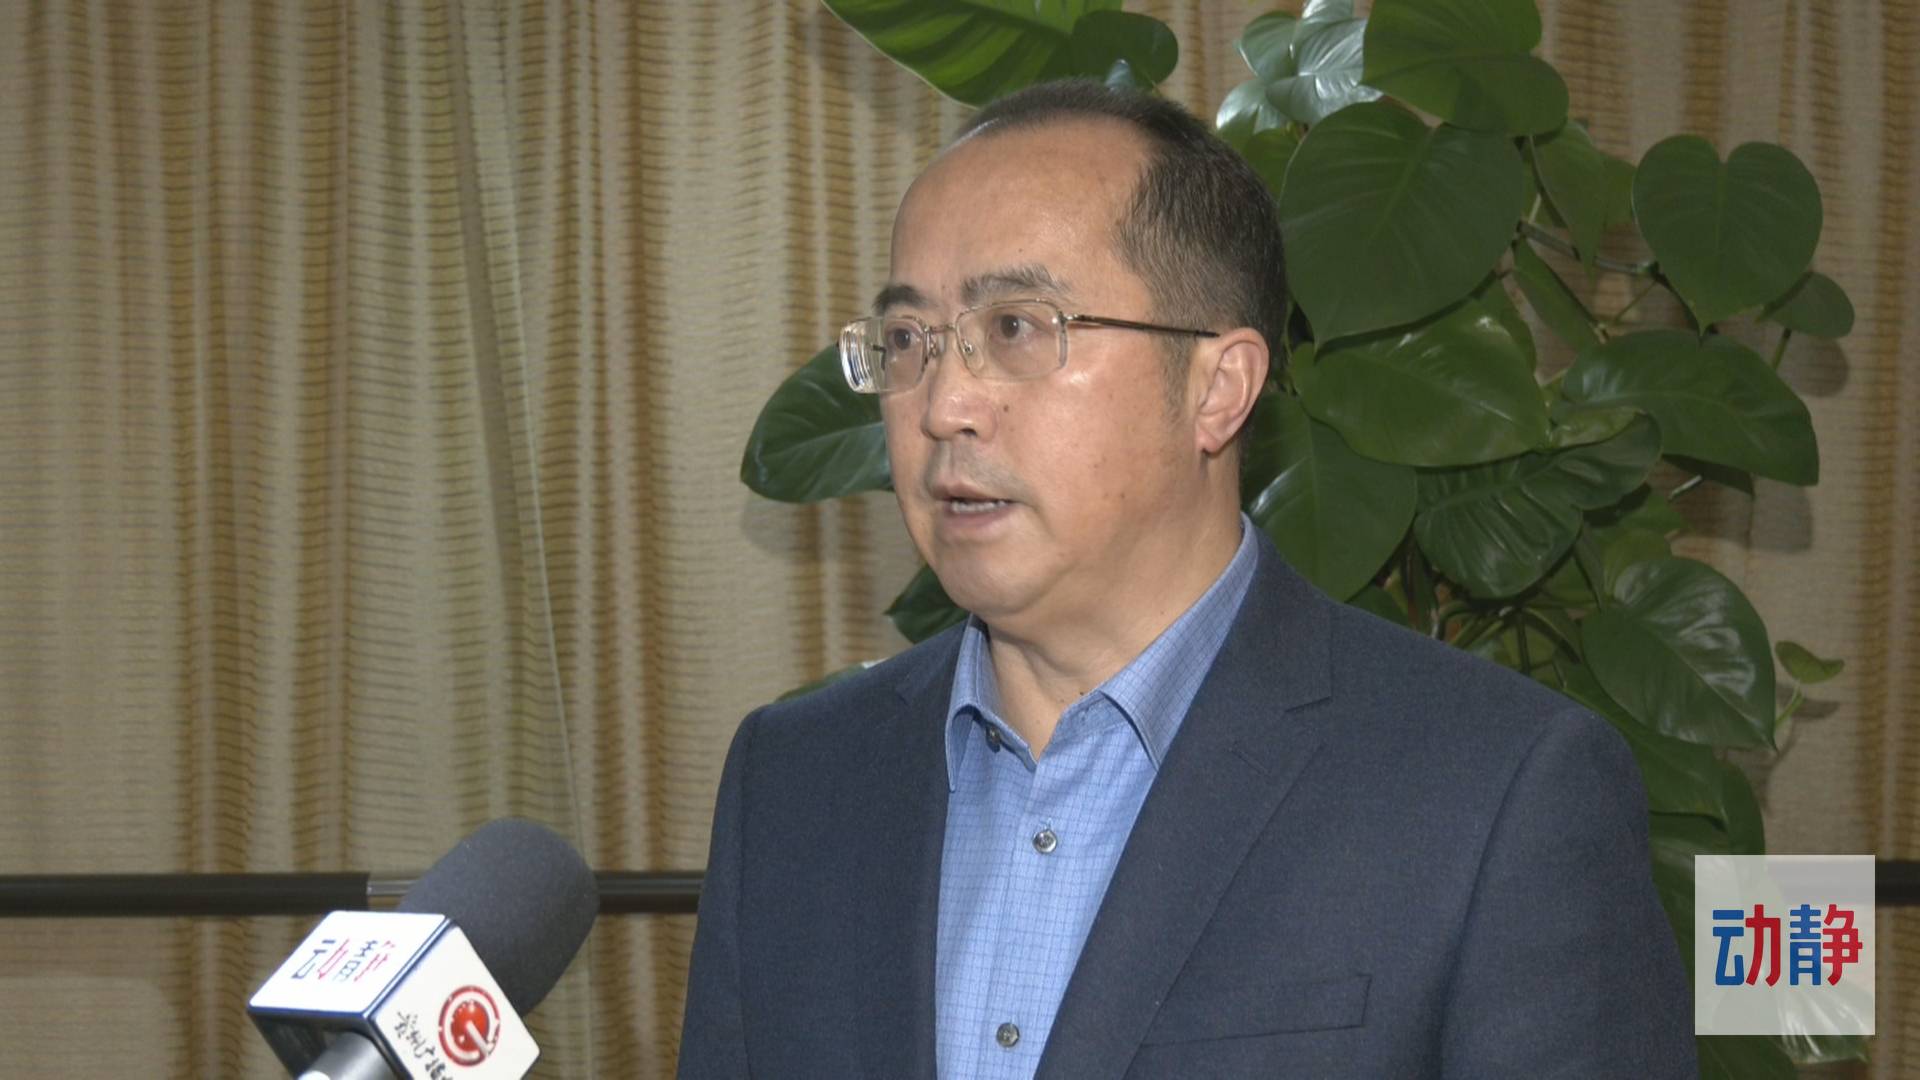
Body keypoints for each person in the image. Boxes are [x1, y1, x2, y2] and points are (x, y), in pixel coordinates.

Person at [678, 80, 1694, 1079]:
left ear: (1219, 389)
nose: (943, 405)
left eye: (1017, 328)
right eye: (908, 341)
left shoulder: (1495, 793)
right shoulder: (795, 782)